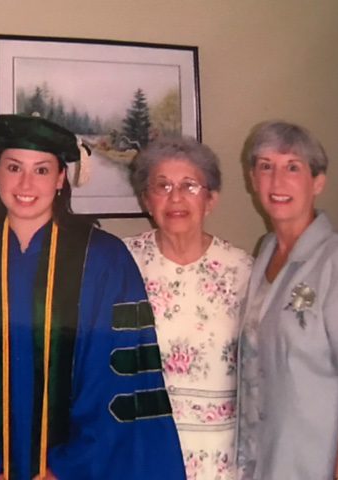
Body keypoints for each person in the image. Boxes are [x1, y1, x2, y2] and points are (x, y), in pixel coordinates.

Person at [0, 114, 185, 480]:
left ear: (61, 178)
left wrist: (65, 469)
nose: (25, 183)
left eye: (41, 170)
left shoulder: (103, 260)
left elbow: (119, 384)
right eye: (14, 167)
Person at [236, 121, 338, 480]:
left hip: (325, 464)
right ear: (253, 180)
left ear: (318, 182)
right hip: (270, 460)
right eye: (266, 166)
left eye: (293, 167)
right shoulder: (266, 252)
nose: (277, 181)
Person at [124, 137, 253, 480]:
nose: (175, 197)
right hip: (143, 448)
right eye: (162, 185)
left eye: (190, 185)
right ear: (146, 200)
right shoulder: (121, 264)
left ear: (211, 199)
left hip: (221, 455)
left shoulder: (243, 271)